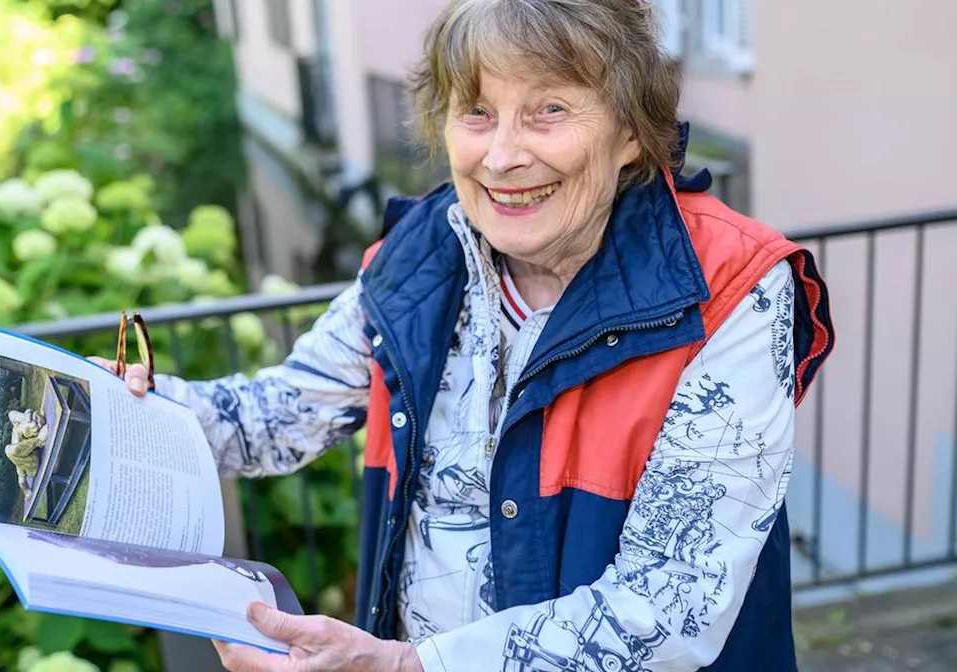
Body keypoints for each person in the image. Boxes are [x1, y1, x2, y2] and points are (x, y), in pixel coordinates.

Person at [92, 0, 835, 669]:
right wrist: (132, 411)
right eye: (476, 113)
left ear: (632, 133)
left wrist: (404, 667)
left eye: (548, 110)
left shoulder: (731, 288)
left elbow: (669, 611)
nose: (504, 156)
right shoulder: (419, 252)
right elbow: (282, 415)